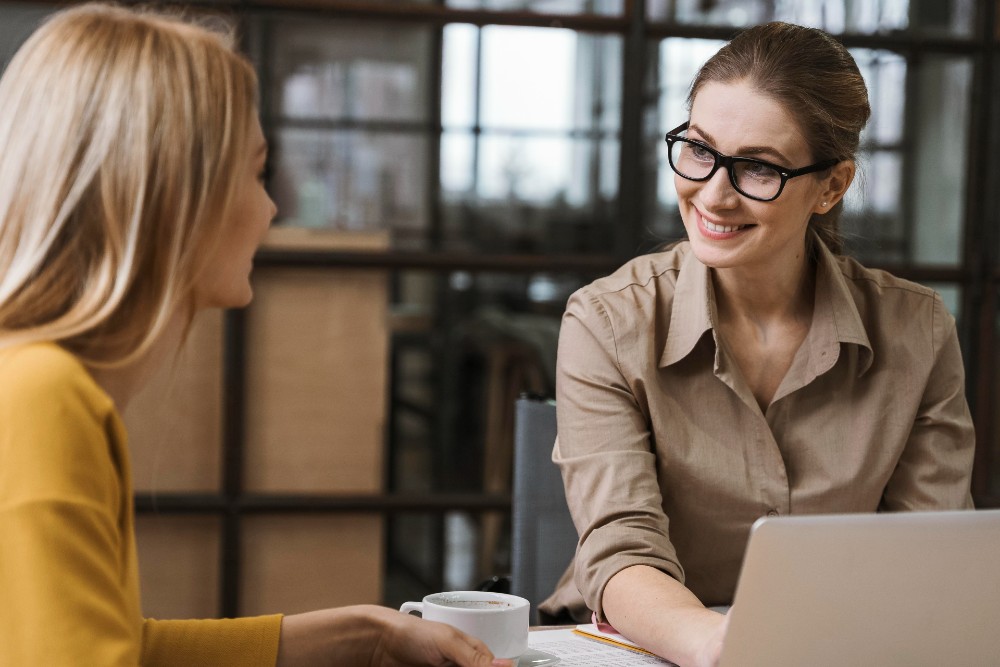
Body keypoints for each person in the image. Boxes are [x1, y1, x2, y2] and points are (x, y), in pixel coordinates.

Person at [0, 5, 512, 666]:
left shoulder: (38, 380)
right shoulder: (43, 400)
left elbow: (125, 647)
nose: (271, 209)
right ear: (174, 195)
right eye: (256, 172)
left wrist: (371, 630)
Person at [538, 21, 975, 667]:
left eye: (759, 168)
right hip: (637, 647)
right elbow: (623, 551)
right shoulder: (607, 321)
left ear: (832, 186)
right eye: (698, 149)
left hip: (839, 649)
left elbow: (928, 557)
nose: (712, 192)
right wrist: (727, 646)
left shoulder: (917, 330)